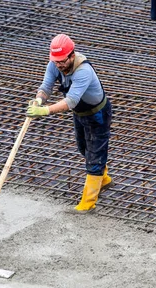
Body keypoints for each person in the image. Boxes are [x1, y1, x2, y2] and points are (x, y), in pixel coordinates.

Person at [26, 34, 112, 213]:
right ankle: (103, 179)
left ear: (72, 55)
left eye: (62, 61)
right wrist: (39, 100)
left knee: (95, 155)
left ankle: (88, 204)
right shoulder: (55, 64)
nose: (59, 65)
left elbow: (71, 100)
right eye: (56, 62)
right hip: (80, 114)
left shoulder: (83, 71)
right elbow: (46, 86)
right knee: (83, 149)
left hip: (97, 114)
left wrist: (46, 110)